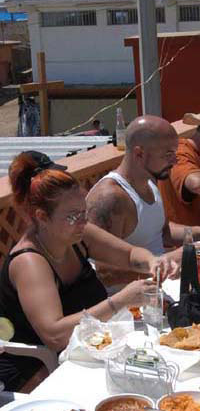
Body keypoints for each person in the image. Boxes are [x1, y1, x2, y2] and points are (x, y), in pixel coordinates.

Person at [0, 151, 176, 392]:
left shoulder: (78, 233)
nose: (83, 221)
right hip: (41, 372)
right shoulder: (30, 262)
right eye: (73, 216)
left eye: (83, 212)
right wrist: (122, 300)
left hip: (90, 352)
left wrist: (152, 263)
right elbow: (55, 335)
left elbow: (129, 255)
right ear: (42, 217)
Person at [87, 115, 200, 289]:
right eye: (168, 154)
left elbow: (162, 231)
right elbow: (105, 274)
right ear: (139, 153)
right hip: (128, 306)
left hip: (161, 288)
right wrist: (169, 262)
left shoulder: (150, 180)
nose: (174, 161)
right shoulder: (111, 197)